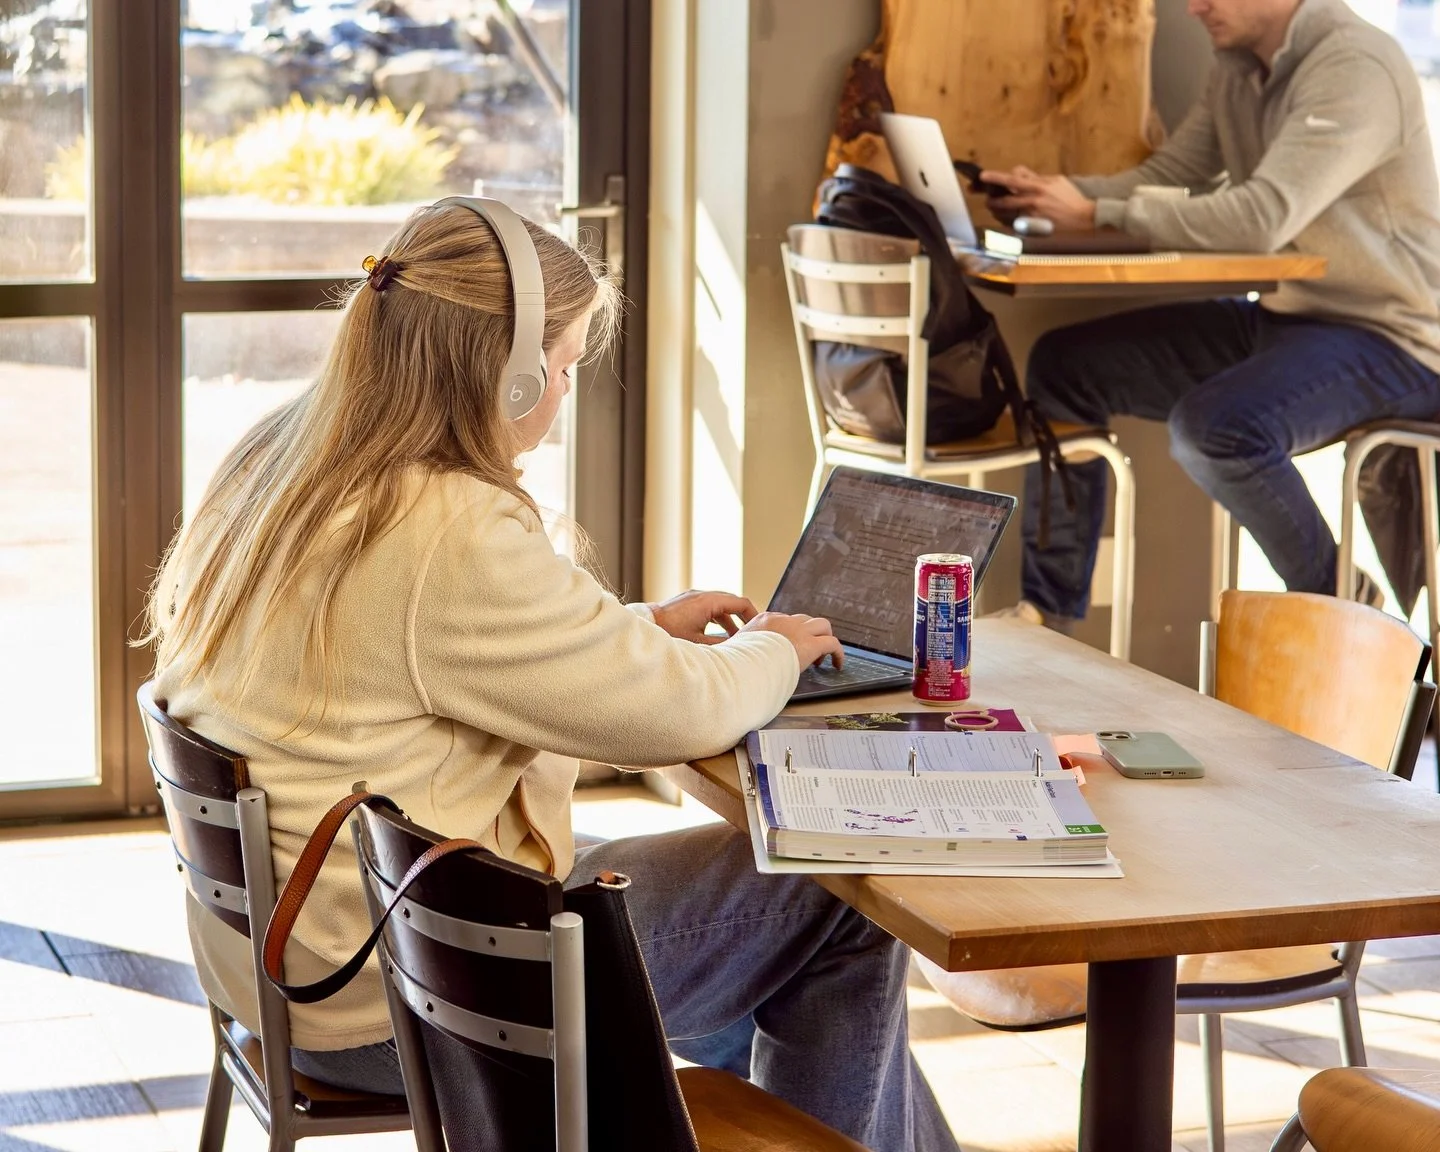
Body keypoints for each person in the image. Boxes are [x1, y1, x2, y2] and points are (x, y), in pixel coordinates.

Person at [141, 198, 961, 1152]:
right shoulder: (446, 526)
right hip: (402, 994)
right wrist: (773, 645)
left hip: (301, 962)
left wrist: (638, 626)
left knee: (775, 958)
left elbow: (436, 653)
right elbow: (685, 713)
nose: (565, 393)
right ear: (513, 374)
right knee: (830, 895)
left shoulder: (286, 452)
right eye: (565, 368)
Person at [979, 0, 1440, 630]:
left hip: (1395, 339)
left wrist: (1097, 216)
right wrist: (1059, 198)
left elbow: (1261, 217)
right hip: (1288, 315)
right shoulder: (1236, 65)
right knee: (1065, 365)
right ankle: (1049, 611)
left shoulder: (1357, 65)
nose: (1193, 7)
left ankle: (1343, 605)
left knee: (1215, 428)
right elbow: (1175, 174)